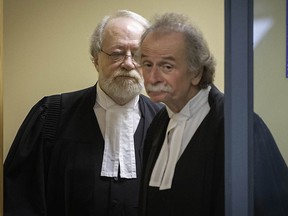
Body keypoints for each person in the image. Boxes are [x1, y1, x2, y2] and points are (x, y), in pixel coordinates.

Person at [4, 10, 163, 216]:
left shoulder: (166, 122)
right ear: (96, 59)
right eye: (116, 53)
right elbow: (20, 198)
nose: (128, 63)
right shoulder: (50, 115)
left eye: (139, 55)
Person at [138, 12, 288, 216]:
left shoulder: (238, 125)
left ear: (196, 72)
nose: (153, 77)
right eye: (147, 65)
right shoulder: (158, 125)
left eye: (167, 66)